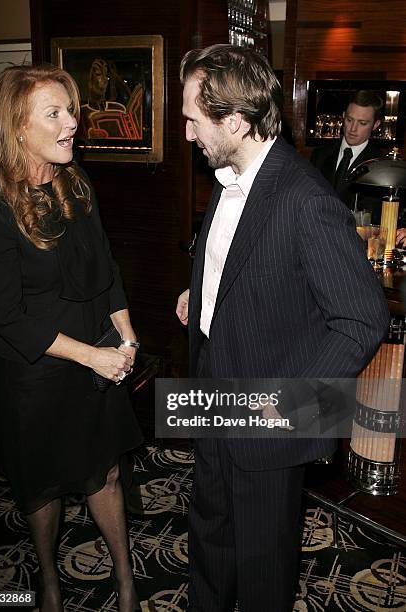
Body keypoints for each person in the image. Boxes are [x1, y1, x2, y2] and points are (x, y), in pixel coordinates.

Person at [175, 44, 389, 612]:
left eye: (195, 120)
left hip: (268, 413)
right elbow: (237, 259)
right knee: (210, 536)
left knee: (264, 567)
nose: (188, 132)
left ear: (236, 121)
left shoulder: (305, 198)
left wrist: (289, 410)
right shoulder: (228, 174)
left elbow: (363, 318)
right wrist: (200, 295)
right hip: (212, 391)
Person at [0, 65, 142, 612]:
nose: (73, 122)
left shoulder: (76, 182)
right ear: (18, 128)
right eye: (56, 113)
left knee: (105, 471)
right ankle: (48, 580)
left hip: (97, 357)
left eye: (71, 110)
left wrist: (126, 336)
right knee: (41, 486)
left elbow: (108, 269)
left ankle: (125, 579)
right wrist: (92, 355)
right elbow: (9, 315)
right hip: (35, 373)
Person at [311, 90, 384, 221]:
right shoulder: (320, 155)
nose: (353, 129)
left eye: (362, 123)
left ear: (376, 125)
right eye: (349, 120)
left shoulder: (379, 165)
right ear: (343, 116)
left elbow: (371, 215)